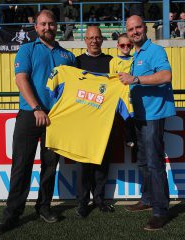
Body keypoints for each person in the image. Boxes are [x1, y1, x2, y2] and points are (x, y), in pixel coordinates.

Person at [0, 9, 76, 234]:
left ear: (56, 26)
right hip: (31, 114)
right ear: (36, 27)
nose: (47, 27)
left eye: (51, 24)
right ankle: (12, 214)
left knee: (50, 166)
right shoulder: (26, 49)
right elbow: (21, 80)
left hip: (57, 117)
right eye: (43, 24)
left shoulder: (68, 56)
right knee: (21, 166)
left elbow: (75, 89)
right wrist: (38, 108)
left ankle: (44, 207)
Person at [118, 15, 175, 230]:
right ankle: (148, 199)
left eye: (138, 27)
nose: (134, 32)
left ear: (145, 28)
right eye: (131, 29)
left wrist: (136, 79)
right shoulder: (136, 54)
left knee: (154, 162)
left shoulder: (156, 51)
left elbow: (166, 75)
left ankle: (160, 211)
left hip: (154, 115)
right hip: (140, 116)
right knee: (143, 161)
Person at [75, 26, 114, 218]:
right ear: (85, 40)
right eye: (90, 38)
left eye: (97, 37)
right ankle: (83, 202)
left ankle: (99, 199)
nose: (94, 41)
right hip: (83, 123)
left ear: (102, 39)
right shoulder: (77, 62)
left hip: (104, 123)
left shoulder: (111, 62)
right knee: (84, 164)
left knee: (102, 163)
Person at [109, 33, 135, 148]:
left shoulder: (135, 59)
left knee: (133, 118)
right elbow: (112, 80)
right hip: (119, 96)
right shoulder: (113, 61)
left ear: (132, 46)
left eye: (128, 45)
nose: (125, 47)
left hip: (133, 94)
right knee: (122, 119)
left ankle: (133, 138)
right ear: (118, 46)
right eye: (122, 45)